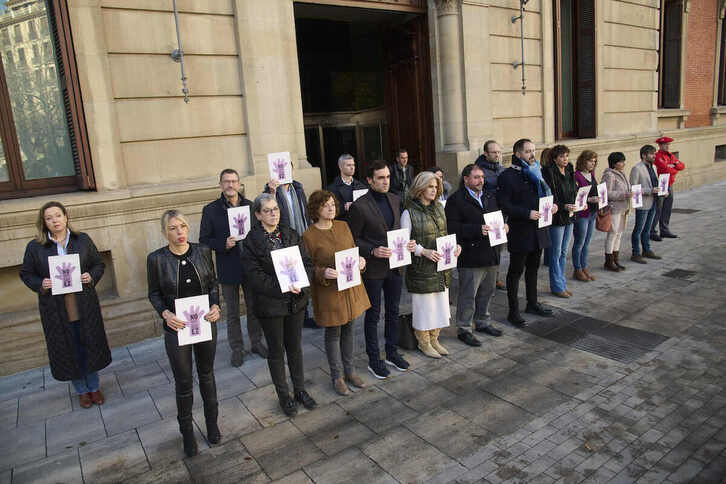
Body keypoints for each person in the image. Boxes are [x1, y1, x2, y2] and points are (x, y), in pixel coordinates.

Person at [20, 201, 111, 410]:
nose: (55, 221)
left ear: (66, 217)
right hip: (56, 309)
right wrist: (40, 283)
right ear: (44, 222)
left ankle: (94, 387)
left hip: (84, 304)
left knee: (88, 344)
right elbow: (26, 273)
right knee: (70, 348)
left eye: (58, 216)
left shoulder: (82, 240)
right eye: (49, 218)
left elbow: (98, 264)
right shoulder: (35, 247)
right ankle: (81, 391)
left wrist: (91, 276)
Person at [147, 210, 222, 457]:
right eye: (173, 228)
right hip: (177, 328)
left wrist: (216, 305)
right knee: (183, 381)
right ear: (164, 232)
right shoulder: (156, 259)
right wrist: (165, 314)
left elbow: (212, 284)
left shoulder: (202, 251)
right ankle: (188, 434)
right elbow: (154, 293)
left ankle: (212, 425)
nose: (179, 232)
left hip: (204, 323)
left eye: (182, 226)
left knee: (207, 375)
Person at [241, 194, 317, 416]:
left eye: (275, 209)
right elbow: (254, 276)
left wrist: (301, 285)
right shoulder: (252, 241)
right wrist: (283, 286)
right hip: (270, 305)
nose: (273, 213)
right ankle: (285, 397)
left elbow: (307, 263)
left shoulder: (291, 234)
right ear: (257, 215)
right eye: (267, 210)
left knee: (295, 348)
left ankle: (300, 391)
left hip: (295, 302)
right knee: (276, 352)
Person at [348, 160, 416, 379]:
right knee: (374, 314)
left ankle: (392, 352)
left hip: (395, 266)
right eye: (380, 178)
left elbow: (398, 230)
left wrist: (408, 243)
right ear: (370, 180)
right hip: (374, 269)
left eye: (387, 177)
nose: (386, 181)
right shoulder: (360, 206)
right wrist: (372, 250)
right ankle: (374, 359)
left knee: (394, 311)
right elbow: (352, 239)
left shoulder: (395, 199)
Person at [302, 190, 370, 395]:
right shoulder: (309, 235)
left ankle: (350, 371)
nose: (331, 208)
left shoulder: (343, 226)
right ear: (316, 209)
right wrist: (323, 272)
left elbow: (353, 251)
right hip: (329, 292)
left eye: (333, 204)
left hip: (350, 288)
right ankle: (337, 376)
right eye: (326, 205)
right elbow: (306, 268)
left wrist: (361, 262)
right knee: (333, 333)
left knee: (349, 328)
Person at [200, 169, 267, 367]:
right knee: (232, 312)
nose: (230, 185)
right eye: (226, 181)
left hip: (250, 265)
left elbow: (260, 232)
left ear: (239, 184)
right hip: (227, 266)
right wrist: (223, 244)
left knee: (254, 307)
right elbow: (204, 240)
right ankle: (237, 348)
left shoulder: (251, 206)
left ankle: (256, 342)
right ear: (221, 184)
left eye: (234, 181)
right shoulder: (211, 210)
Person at [446, 164, 507, 347]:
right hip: (471, 255)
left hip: (491, 251)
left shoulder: (489, 195)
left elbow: (497, 216)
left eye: (482, 177)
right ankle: (464, 328)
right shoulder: (456, 200)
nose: (481, 180)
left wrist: (504, 226)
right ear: (466, 179)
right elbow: (451, 228)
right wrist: (476, 230)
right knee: (468, 295)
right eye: (476, 177)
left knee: (488, 291)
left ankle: (482, 321)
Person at [497, 138, 557, 326]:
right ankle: (513, 311)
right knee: (516, 271)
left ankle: (532, 303)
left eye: (533, 150)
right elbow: (504, 204)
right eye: (528, 151)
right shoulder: (508, 176)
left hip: (539, 229)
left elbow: (545, 194)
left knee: (533, 269)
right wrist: (526, 213)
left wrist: (551, 206)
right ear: (517, 154)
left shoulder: (537, 172)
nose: (532, 154)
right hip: (521, 230)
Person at [402, 172, 461, 358]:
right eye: (430, 186)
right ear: (420, 188)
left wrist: (455, 247)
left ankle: (435, 338)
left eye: (436, 187)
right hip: (421, 268)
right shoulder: (408, 212)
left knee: (441, 305)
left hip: (442, 266)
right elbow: (404, 243)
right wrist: (423, 251)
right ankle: (424, 342)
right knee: (424, 308)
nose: (434, 190)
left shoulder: (440, 208)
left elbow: (444, 234)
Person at [543, 145, 577, 298]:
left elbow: (573, 190)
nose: (565, 159)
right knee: (555, 253)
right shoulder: (549, 172)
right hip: (557, 216)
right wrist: (563, 205)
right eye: (562, 156)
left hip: (570, 214)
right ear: (555, 158)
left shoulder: (570, 170)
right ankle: (557, 286)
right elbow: (550, 196)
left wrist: (578, 201)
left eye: (567, 156)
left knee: (563, 252)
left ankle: (562, 282)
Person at [475, 140, 507, 289]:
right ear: (485, 154)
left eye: (499, 152)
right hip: (486, 214)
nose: (497, 155)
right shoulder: (478, 171)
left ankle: (495, 277)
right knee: (485, 248)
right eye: (494, 152)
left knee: (498, 247)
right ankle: (484, 279)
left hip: (500, 214)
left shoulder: (501, 169)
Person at [629, 145, 662, 263]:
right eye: (652, 154)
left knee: (648, 229)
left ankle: (646, 250)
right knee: (639, 229)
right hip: (642, 203)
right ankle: (636, 253)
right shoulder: (637, 168)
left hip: (653, 201)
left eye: (655, 153)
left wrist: (662, 191)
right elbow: (634, 189)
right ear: (644, 155)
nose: (654, 156)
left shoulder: (653, 167)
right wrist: (650, 191)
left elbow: (655, 183)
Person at [571, 150, 600, 282]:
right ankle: (577, 269)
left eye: (594, 161)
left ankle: (584, 267)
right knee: (579, 242)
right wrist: (589, 200)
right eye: (590, 161)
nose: (592, 164)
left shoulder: (591, 174)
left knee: (587, 243)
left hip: (592, 212)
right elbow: (576, 196)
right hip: (582, 214)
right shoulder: (576, 175)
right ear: (583, 161)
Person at [602, 152, 631, 271]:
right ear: (614, 163)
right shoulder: (609, 175)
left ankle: (615, 259)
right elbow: (606, 193)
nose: (623, 163)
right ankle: (608, 261)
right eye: (621, 161)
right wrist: (624, 194)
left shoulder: (622, 174)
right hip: (614, 208)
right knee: (612, 234)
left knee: (619, 234)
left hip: (623, 207)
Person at [651, 136, 685, 240]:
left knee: (667, 208)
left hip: (669, 184)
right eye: (665, 144)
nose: (667, 146)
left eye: (668, 144)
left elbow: (682, 166)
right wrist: (673, 167)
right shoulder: (658, 156)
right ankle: (652, 231)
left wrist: (673, 165)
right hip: (662, 184)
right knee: (658, 208)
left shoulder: (670, 155)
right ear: (660, 146)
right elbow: (665, 169)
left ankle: (664, 230)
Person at [327, 154, 368, 223]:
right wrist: (344, 207)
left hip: (361, 224)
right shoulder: (331, 188)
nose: (352, 167)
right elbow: (328, 210)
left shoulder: (362, 186)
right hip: (343, 224)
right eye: (348, 165)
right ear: (340, 167)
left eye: (353, 165)